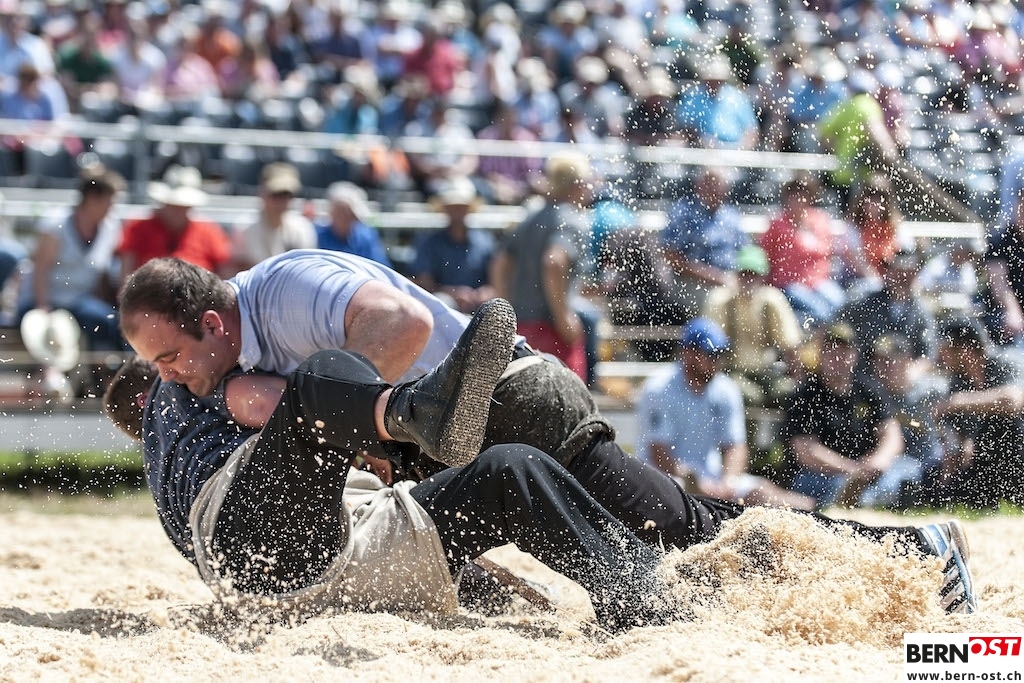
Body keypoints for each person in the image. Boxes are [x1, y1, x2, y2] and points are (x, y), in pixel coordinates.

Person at [115, 250, 980, 616]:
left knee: (685, 525)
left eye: (171, 358)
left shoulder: (282, 292)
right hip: (469, 417)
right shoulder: (227, 362)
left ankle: (915, 552)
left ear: (212, 321)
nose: (172, 376)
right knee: (686, 524)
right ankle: (907, 551)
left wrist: (385, 430)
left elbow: (400, 328)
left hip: (507, 397)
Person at [107, 300, 677, 632]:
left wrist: (473, 581)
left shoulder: (170, 471)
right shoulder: (173, 391)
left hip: (338, 565)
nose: (173, 371)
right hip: (272, 549)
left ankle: (640, 597)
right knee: (316, 381)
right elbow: (262, 402)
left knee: (512, 471)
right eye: (162, 365)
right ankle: (411, 410)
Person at [638, 318, 814, 510]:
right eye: (710, 354)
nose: (717, 361)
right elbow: (658, 453)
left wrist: (728, 481)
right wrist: (694, 480)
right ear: (688, 353)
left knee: (765, 494)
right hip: (664, 479)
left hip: (710, 478)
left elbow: (736, 446)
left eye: (720, 354)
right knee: (681, 494)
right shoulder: (659, 388)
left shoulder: (726, 388)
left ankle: (816, 511)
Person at [782, 322, 913, 510]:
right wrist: (852, 469)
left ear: (855, 354)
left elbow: (892, 436)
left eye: (844, 351)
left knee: (909, 469)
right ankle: (865, 500)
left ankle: (862, 499)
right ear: (821, 354)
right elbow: (806, 453)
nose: (837, 358)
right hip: (824, 474)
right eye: (831, 351)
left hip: (867, 471)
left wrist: (878, 461)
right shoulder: (805, 395)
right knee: (822, 484)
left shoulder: (868, 389)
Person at [491, 151, 593, 381]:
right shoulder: (572, 218)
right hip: (553, 331)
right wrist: (563, 317)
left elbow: (500, 263)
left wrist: (506, 313)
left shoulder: (530, 217)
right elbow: (554, 262)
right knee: (567, 399)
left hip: (522, 330)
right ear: (576, 184)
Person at [24, 163, 126, 354]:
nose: (112, 208)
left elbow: (102, 274)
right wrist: (43, 309)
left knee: (113, 324)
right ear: (92, 198)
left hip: (81, 302)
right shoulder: (55, 225)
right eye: (109, 202)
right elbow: (40, 271)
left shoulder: (111, 227)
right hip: (47, 302)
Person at [932, 316, 1024, 509]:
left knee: (1000, 423)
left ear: (965, 349)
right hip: (985, 466)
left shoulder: (1005, 362)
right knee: (930, 478)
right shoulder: (958, 382)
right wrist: (945, 485)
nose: (941, 356)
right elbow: (954, 439)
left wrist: (958, 402)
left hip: (1016, 457)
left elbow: (1013, 401)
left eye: (946, 349)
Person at [702, 245, 804, 410]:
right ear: (736, 274)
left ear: (763, 277)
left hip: (767, 373)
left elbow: (791, 347)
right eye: (744, 273)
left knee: (790, 393)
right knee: (746, 396)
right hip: (732, 372)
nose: (748, 279)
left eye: (753, 274)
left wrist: (798, 383)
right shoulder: (720, 301)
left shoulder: (772, 300)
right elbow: (708, 348)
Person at [660, 167, 749, 327]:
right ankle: (713, 342)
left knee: (765, 299)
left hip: (730, 281)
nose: (714, 189)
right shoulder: (684, 213)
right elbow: (671, 256)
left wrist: (741, 278)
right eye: (709, 184)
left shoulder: (731, 215)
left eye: (718, 184)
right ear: (698, 186)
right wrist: (714, 277)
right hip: (692, 283)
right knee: (718, 301)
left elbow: (746, 252)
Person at [865, 335, 947, 508]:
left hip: (930, 460)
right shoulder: (872, 396)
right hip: (897, 464)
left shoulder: (931, 390)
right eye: (878, 361)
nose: (882, 367)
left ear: (906, 360)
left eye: (889, 360)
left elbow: (937, 425)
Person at [837, 247, 937, 380]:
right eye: (898, 272)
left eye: (908, 273)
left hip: (901, 380)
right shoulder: (864, 304)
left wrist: (908, 374)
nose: (902, 278)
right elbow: (836, 329)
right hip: (864, 376)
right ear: (888, 273)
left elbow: (928, 354)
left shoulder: (922, 312)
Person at [117, 165, 232, 280]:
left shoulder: (208, 231)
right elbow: (126, 270)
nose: (178, 210)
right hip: (149, 289)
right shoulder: (138, 226)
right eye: (173, 205)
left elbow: (224, 270)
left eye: (184, 206)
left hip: (198, 289)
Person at [759, 173, 845, 326]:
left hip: (819, 281)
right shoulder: (777, 224)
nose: (797, 199)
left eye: (802, 195)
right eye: (793, 195)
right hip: (791, 283)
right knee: (821, 311)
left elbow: (827, 250)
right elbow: (766, 256)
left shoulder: (820, 219)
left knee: (840, 303)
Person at [412, 177, 496, 314]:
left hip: (479, 305)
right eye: (453, 206)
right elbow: (424, 284)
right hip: (443, 307)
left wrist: (486, 292)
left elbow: (495, 279)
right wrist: (453, 294)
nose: (457, 210)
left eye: (461, 206)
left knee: (495, 305)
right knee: (443, 301)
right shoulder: (429, 242)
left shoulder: (485, 241)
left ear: (469, 208)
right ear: (445, 209)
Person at [231, 162, 316, 273]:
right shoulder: (244, 228)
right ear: (262, 193)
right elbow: (238, 270)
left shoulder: (302, 228)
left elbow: (305, 270)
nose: (281, 202)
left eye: (287, 195)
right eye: (276, 195)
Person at [315, 181, 391, 268]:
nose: (344, 217)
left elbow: (380, 267)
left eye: (348, 212)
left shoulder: (366, 236)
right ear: (331, 212)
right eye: (340, 212)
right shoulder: (316, 234)